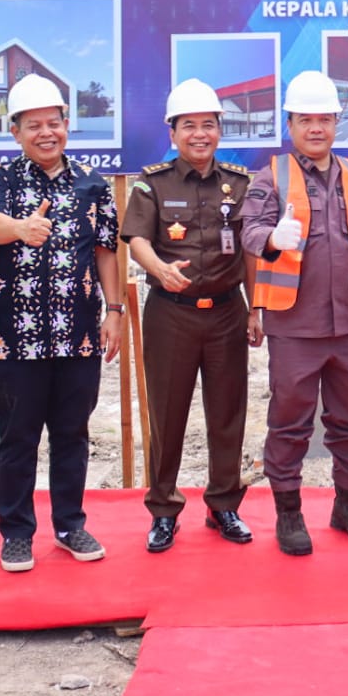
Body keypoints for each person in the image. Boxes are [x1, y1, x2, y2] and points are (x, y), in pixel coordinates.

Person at [0, 73, 122, 573]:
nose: (46, 133)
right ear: (15, 132)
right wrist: (22, 228)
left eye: (53, 123)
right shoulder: (0, 179)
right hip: (16, 340)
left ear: (66, 124)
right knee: (17, 439)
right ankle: (16, 534)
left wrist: (115, 311)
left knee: (72, 434)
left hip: (78, 336)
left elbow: (106, 251)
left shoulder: (92, 183)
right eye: (33, 125)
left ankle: (69, 526)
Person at [242, 70, 348, 555]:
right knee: (290, 422)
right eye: (306, 120)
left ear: (336, 123)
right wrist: (271, 238)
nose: (316, 128)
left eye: (324, 119)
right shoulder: (271, 176)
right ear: (290, 125)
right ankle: (288, 512)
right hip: (295, 326)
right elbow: (249, 231)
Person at [121, 79, 255, 553]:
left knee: (228, 413)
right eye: (189, 126)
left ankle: (224, 505)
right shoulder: (153, 183)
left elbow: (251, 251)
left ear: (220, 130)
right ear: (172, 132)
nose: (200, 134)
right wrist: (158, 267)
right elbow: (136, 239)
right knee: (167, 413)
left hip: (226, 312)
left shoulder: (240, 184)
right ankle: (163, 510)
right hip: (170, 315)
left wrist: (256, 308)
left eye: (208, 125)